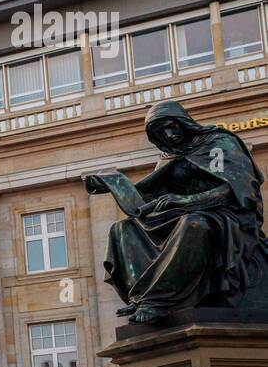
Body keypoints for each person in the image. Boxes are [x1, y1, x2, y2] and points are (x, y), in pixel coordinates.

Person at [86, 100, 268, 322]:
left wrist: (185, 201)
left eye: (172, 126)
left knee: (194, 224)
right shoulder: (170, 156)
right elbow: (149, 199)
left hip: (224, 215)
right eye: (161, 132)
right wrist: (114, 184)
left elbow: (235, 190)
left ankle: (159, 301)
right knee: (122, 229)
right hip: (183, 213)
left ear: (184, 122)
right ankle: (142, 297)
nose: (169, 135)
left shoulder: (219, 142)